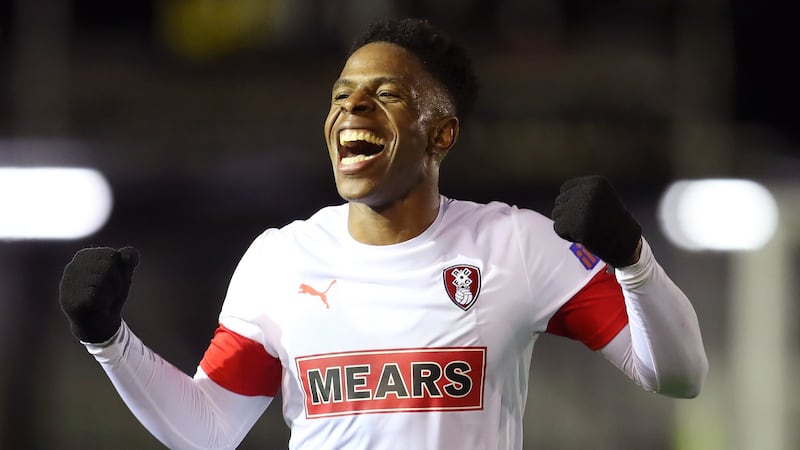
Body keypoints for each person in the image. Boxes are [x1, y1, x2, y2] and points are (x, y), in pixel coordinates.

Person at [59, 18, 708, 450]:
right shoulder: (282, 260)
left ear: (441, 134)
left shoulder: (516, 245)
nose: (352, 108)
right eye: (342, 95)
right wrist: (107, 339)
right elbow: (207, 430)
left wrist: (633, 259)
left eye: (386, 94)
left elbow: (679, 376)